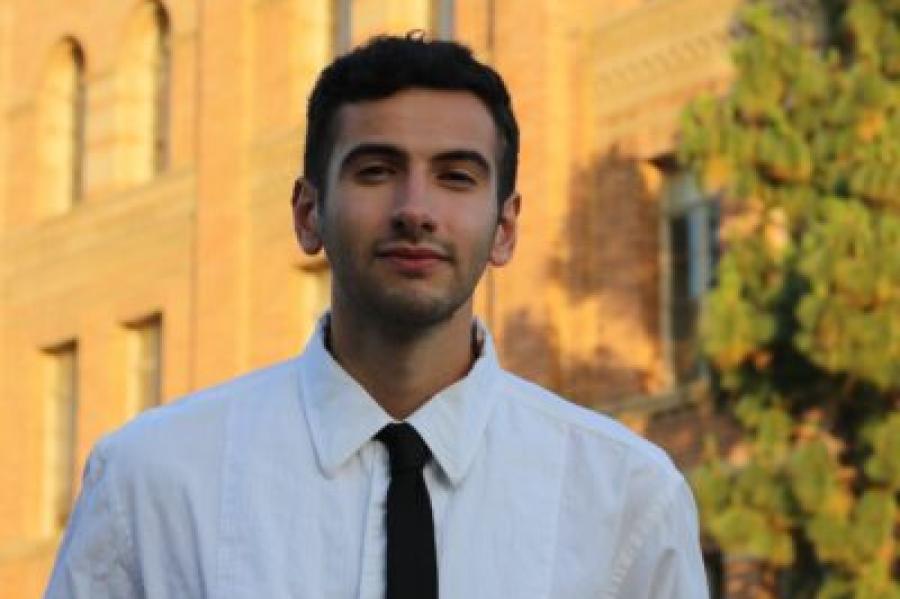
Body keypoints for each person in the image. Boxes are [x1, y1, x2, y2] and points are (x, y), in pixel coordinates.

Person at [44, 34, 709, 598]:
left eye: (455, 177)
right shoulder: (153, 483)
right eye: (376, 170)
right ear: (309, 214)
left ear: (505, 227)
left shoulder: (627, 500)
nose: (415, 207)